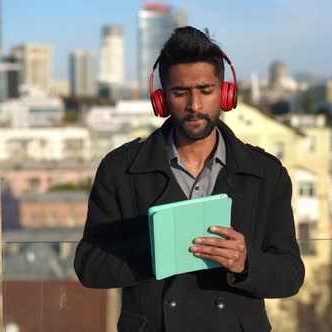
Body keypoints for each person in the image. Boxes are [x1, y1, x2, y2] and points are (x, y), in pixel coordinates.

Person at [74, 26, 304, 332]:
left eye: (206, 91)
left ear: (225, 93)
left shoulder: (265, 173)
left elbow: (290, 274)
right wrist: (154, 249)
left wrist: (246, 262)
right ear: (162, 98)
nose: (194, 106)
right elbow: (90, 268)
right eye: (181, 93)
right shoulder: (120, 170)